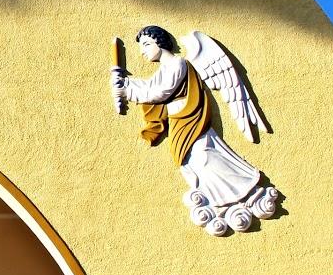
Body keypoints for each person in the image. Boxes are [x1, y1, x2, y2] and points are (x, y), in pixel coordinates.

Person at [112, 25, 276, 233]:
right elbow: (149, 87)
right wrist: (127, 85)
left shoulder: (178, 63)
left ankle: (241, 188)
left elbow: (161, 92)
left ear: (159, 43)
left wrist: (127, 91)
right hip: (179, 122)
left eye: (146, 45)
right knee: (191, 162)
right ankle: (217, 196)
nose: (143, 51)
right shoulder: (163, 70)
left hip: (190, 120)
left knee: (204, 155)